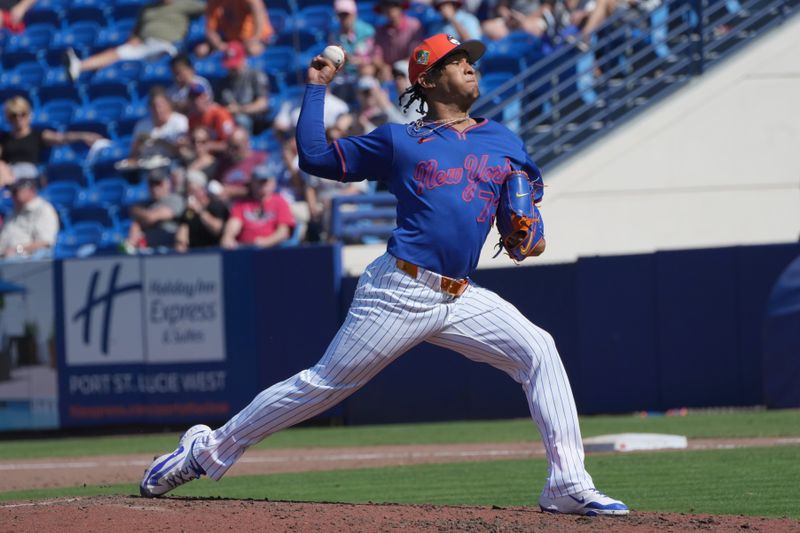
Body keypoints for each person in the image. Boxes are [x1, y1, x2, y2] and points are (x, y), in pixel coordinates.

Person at [139, 33, 630, 518]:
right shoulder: (401, 140)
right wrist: (316, 88)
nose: (469, 65)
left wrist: (529, 233)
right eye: (455, 60)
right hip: (399, 289)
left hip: (461, 296)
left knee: (539, 349)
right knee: (322, 385)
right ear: (430, 80)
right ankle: (205, 451)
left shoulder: (503, 140)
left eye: (469, 59)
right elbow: (314, 157)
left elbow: (524, 220)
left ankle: (567, 484)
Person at [63, 0, 205, 82]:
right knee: (117, 52)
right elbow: (134, 33)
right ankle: (79, 66)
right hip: (143, 45)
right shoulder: (147, 9)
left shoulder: (186, 4)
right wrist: (132, 40)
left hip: (167, 47)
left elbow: (212, 11)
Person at [0, 96, 104, 185]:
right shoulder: (4, 138)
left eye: (22, 114)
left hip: (28, 173)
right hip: (8, 172)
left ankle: (11, 190)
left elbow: (61, 138)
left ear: (29, 115)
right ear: (8, 118)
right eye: (14, 115)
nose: (18, 118)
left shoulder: (37, 135)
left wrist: (83, 136)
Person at [219, 163, 294, 249]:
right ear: (252, 183)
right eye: (259, 181)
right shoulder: (242, 204)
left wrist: (266, 242)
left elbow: (283, 232)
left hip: (272, 251)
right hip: (245, 251)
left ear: (273, 182)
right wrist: (228, 237)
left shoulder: (280, 202)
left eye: (265, 181)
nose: (263, 185)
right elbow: (234, 225)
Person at [0, 173, 59, 258]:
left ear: (31, 191)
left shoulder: (43, 209)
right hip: (5, 260)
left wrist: (17, 249)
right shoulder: (12, 212)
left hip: (28, 261)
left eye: (16, 191)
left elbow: (46, 243)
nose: (13, 195)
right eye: (12, 191)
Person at [125, 168, 185, 250]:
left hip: (169, 249)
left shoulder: (175, 199)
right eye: (151, 184)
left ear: (167, 184)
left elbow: (151, 217)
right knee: (134, 225)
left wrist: (139, 213)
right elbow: (133, 211)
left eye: (158, 183)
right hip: (148, 250)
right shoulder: (146, 204)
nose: (154, 188)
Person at [126, 87, 188, 164]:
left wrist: (161, 142)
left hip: (172, 162)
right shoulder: (142, 125)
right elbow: (133, 155)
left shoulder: (179, 121)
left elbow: (183, 152)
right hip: (146, 163)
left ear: (168, 104)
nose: (157, 110)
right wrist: (138, 144)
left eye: (160, 105)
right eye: (154, 106)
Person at [219, 41, 270, 134]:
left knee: (241, 120)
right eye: (230, 67)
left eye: (234, 66)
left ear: (243, 59)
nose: (231, 69)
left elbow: (263, 104)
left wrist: (239, 109)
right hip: (227, 118)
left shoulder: (254, 75)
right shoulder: (225, 81)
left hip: (250, 119)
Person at [174, 170, 228, 252]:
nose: (190, 195)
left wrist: (200, 211)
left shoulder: (216, 205)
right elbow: (182, 234)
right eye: (188, 191)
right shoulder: (188, 211)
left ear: (203, 190)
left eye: (193, 191)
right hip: (195, 253)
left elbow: (217, 229)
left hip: (215, 252)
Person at [197, 0, 273, 58]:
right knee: (201, 50)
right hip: (231, 40)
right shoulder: (214, 3)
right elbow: (210, 30)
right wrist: (220, 45)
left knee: (252, 50)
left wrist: (255, 38)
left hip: (257, 37)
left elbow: (258, 13)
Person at [372, 0, 425, 81]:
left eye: (394, 6)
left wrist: (397, 67)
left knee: (400, 69)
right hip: (388, 72)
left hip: (411, 69)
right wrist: (384, 67)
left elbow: (420, 56)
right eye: (386, 7)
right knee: (367, 78)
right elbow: (376, 56)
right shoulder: (380, 30)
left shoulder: (414, 25)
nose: (390, 10)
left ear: (401, 8)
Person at [217, 126, 267, 200]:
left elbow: (263, 189)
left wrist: (232, 192)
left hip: (250, 205)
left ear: (247, 143)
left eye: (236, 147)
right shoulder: (224, 163)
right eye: (229, 146)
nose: (232, 151)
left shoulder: (260, 159)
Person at [187, 83, 236, 153]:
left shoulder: (220, 114)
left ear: (206, 97)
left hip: (224, 155)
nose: (195, 101)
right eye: (192, 98)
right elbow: (193, 141)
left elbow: (231, 144)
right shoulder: (192, 117)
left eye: (199, 97)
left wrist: (209, 146)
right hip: (203, 154)